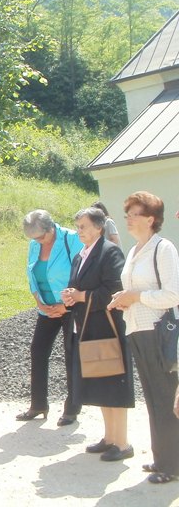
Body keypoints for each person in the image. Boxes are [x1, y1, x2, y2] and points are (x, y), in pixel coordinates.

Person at [108, 192, 179, 484]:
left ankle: (172, 465)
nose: (128, 218)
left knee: (165, 397)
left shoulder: (163, 248)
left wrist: (135, 296)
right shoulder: (136, 249)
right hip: (137, 330)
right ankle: (162, 457)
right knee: (152, 397)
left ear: (151, 218)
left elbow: (173, 295)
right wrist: (124, 300)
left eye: (134, 214)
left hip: (158, 332)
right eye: (127, 213)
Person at [61, 207, 131, 461]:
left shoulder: (110, 251)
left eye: (83, 226)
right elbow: (78, 287)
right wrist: (71, 295)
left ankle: (122, 443)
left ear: (98, 228)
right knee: (101, 384)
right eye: (78, 226)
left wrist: (82, 296)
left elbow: (114, 290)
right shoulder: (80, 256)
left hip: (106, 326)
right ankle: (109, 437)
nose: (79, 231)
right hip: (86, 326)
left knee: (113, 383)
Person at [18, 209, 84, 425]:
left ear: (51, 227)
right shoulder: (34, 244)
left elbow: (82, 275)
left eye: (40, 237)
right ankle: (38, 405)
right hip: (46, 308)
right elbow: (31, 274)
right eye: (33, 238)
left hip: (70, 307)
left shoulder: (71, 239)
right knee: (37, 350)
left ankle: (72, 408)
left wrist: (65, 306)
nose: (37, 241)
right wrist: (38, 301)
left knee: (71, 354)